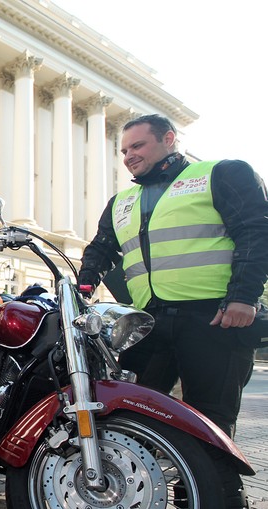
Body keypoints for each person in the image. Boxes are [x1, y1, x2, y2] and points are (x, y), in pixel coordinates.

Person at [78, 114, 268, 437]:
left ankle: (215, 488)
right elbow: (100, 251)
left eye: (137, 145)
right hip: (148, 324)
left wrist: (243, 297)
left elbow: (256, 232)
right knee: (128, 411)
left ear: (168, 139)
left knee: (210, 424)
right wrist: (81, 289)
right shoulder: (121, 202)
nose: (128, 156)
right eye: (123, 151)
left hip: (213, 319)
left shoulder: (220, 174)